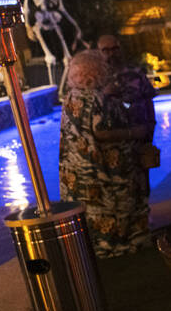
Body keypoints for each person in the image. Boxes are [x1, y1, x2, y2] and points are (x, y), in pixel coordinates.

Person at [59, 50, 151, 257]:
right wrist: (133, 132)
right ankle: (116, 244)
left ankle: (94, 244)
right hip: (102, 170)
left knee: (90, 209)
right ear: (97, 71)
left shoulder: (72, 96)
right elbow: (100, 131)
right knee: (111, 207)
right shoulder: (96, 98)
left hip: (78, 169)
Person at [99, 33, 155, 244]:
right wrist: (106, 93)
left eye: (114, 49)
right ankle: (124, 229)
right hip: (113, 144)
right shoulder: (96, 79)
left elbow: (149, 101)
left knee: (142, 180)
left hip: (139, 137)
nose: (111, 54)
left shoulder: (135, 73)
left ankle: (143, 223)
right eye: (106, 50)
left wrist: (151, 130)